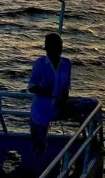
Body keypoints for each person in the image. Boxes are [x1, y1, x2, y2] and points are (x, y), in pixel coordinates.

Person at [27, 33, 72, 173]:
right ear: (46, 48)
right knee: (38, 147)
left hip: (57, 108)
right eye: (53, 45)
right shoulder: (40, 64)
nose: (57, 48)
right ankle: (36, 172)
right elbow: (31, 87)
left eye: (59, 44)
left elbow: (66, 87)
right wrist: (47, 91)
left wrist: (63, 99)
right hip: (40, 112)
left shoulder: (67, 64)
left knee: (86, 108)